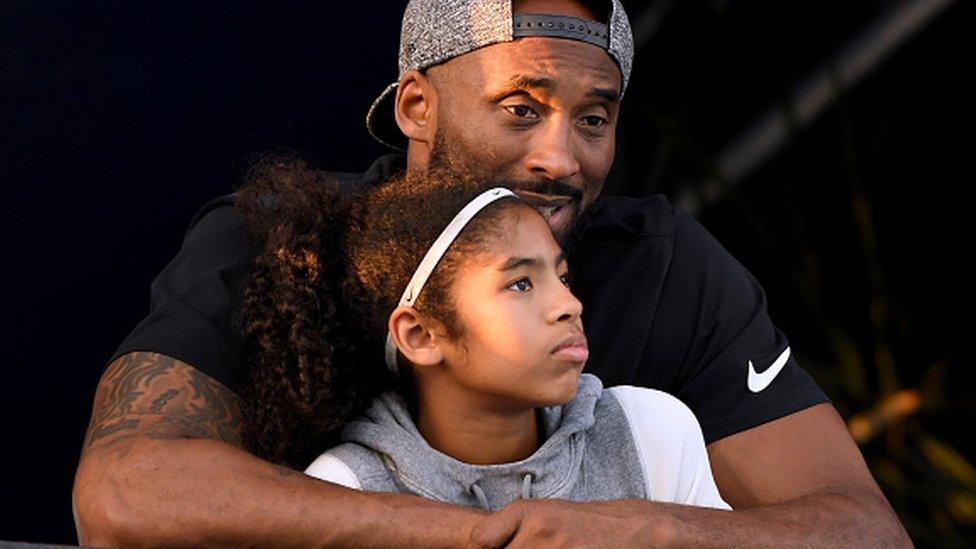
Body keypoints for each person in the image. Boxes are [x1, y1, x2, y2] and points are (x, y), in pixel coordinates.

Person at [73, 0, 910, 546]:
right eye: (521, 108)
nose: (562, 158)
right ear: (416, 106)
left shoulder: (663, 269)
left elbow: (866, 530)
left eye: (594, 118)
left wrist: (644, 531)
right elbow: (124, 492)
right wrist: (480, 533)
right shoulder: (279, 240)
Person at [261, 168, 730, 511]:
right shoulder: (344, 490)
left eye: (563, 277)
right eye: (521, 284)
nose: (570, 305)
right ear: (421, 335)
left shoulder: (648, 432)